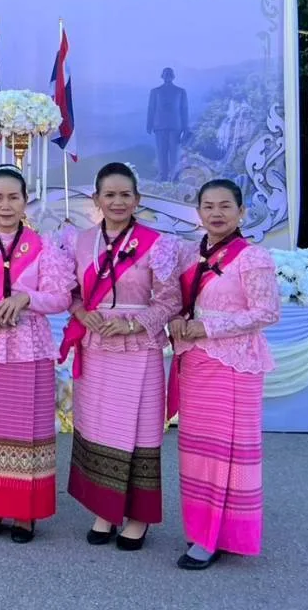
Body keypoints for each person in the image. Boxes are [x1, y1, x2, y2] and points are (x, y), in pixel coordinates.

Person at [58, 162, 182, 550]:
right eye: (109, 195)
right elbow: (71, 294)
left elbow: (170, 301)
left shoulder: (157, 244)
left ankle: (138, 517)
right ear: (96, 199)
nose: (117, 201)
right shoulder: (79, 242)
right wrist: (83, 314)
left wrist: (132, 324)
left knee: (140, 428)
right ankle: (105, 509)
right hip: (96, 346)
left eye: (125, 194)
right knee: (99, 425)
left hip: (138, 347)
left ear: (137, 199)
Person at [0, 164, 75, 543]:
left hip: (29, 349)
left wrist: (26, 299)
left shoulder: (44, 247)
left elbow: (61, 297)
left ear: (25, 201)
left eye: (13, 197)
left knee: (27, 430)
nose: (5, 205)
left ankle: (25, 511)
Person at [167, 179, 279, 570]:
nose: (216, 213)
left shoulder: (252, 257)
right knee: (197, 450)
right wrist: (178, 320)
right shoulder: (189, 253)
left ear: (241, 212)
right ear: (198, 212)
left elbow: (267, 312)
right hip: (195, 362)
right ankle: (206, 529)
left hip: (234, 363)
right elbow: (179, 302)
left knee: (226, 451)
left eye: (225, 206)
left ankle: (215, 536)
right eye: (209, 206)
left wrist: (208, 328)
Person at [147, 67, 189, 181]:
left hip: (175, 127)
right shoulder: (155, 92)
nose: (167, 76)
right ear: (162, 76)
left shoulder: (180, 91)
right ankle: (163, 177)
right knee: (161, 153)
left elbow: (184, 110)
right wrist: (149, 124)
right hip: (159, 127)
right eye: (166, 74)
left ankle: (174, 177)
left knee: (174, 153)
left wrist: (186, 128)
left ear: (173, 76)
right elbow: (151, 108)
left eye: (169, 74)